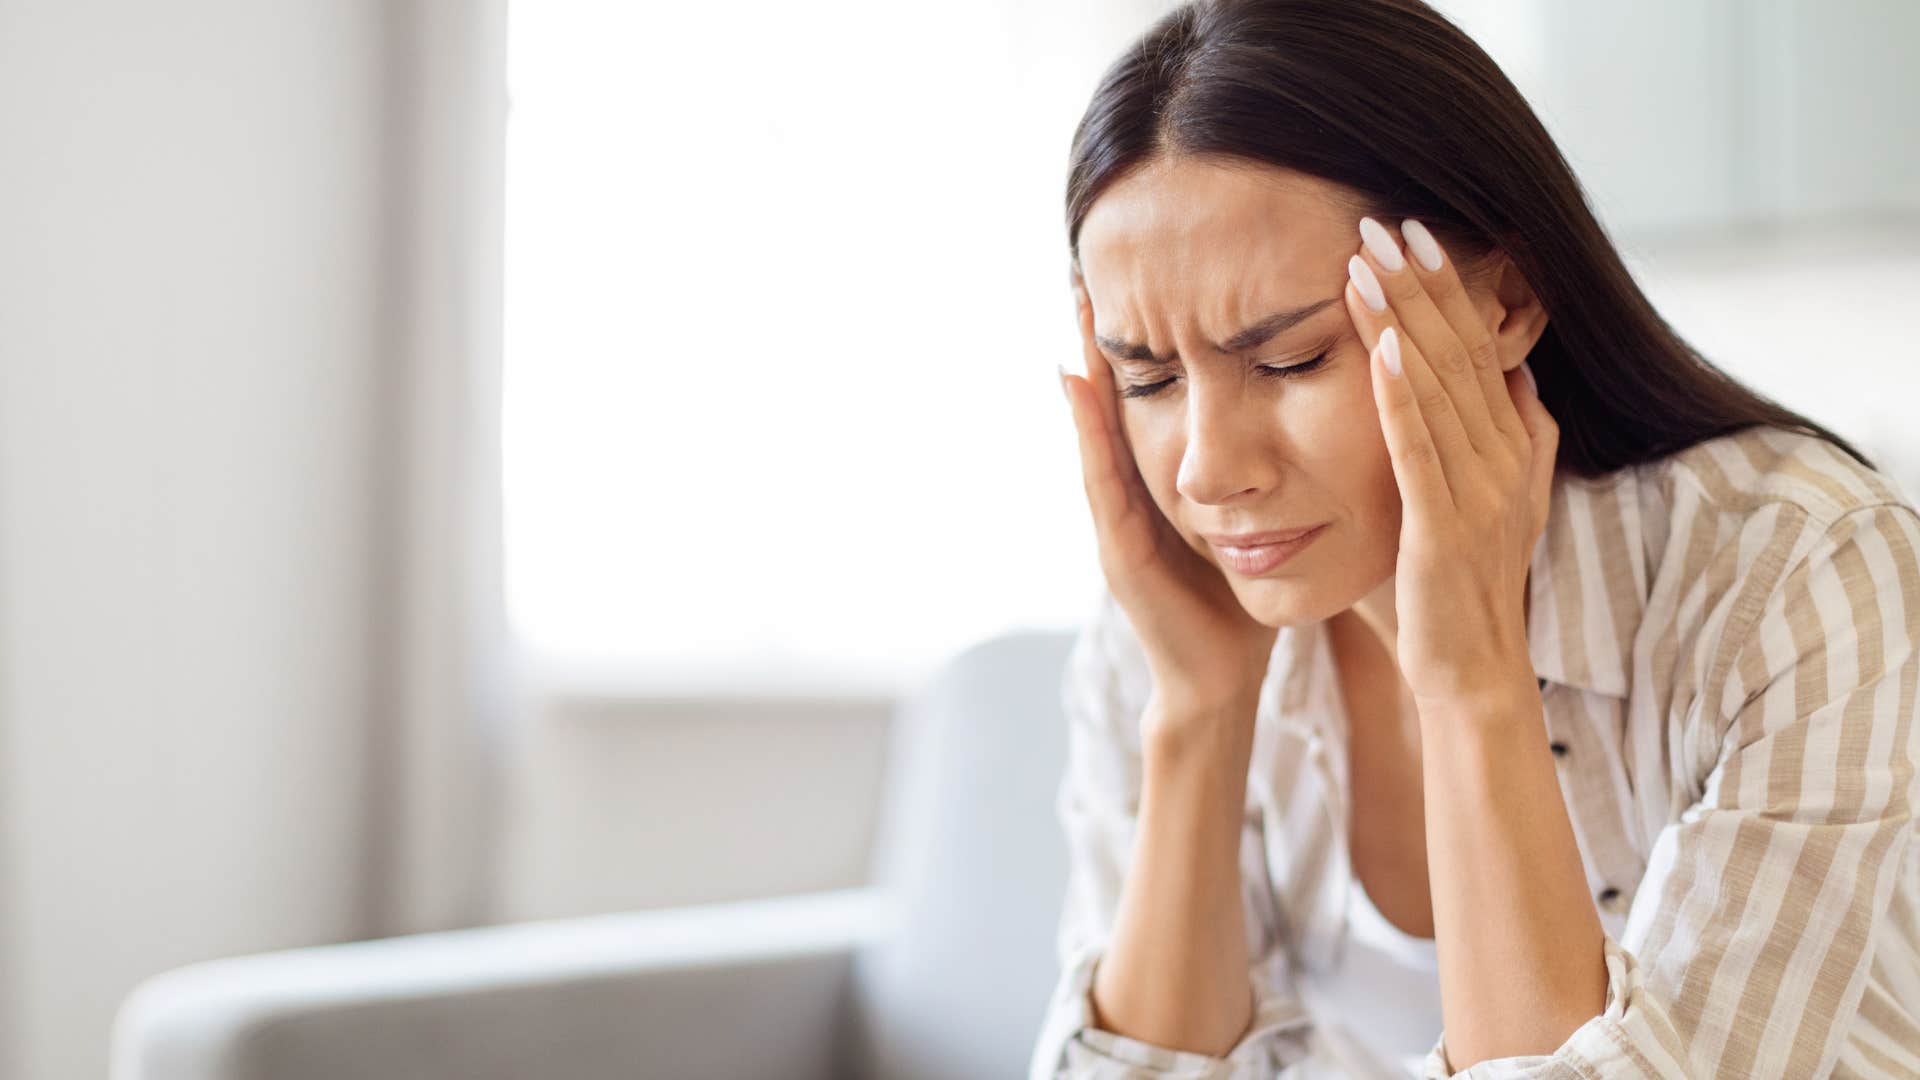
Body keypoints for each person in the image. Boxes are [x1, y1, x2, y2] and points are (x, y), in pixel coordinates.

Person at [1033, 0, 1920, 1076]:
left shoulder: (1796, 574)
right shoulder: (1175, 621)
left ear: (1503, 302)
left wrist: (1471, 680)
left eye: (1291, 361)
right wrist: (1198, 713)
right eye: (1150, 379)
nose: (1208, 472)